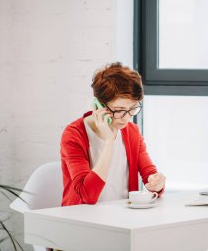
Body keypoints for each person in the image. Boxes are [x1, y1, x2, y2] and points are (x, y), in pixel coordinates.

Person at [60, 62, 165, 206]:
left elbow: (150, 175)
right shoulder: (74, 134)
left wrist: (157, 183)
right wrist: (109, 142)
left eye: (132, 108)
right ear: (99, 105)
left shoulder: (132, 131)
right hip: (81, 220)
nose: (127, 118)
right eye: (119, 110)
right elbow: (87, 195)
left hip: (122, 218)